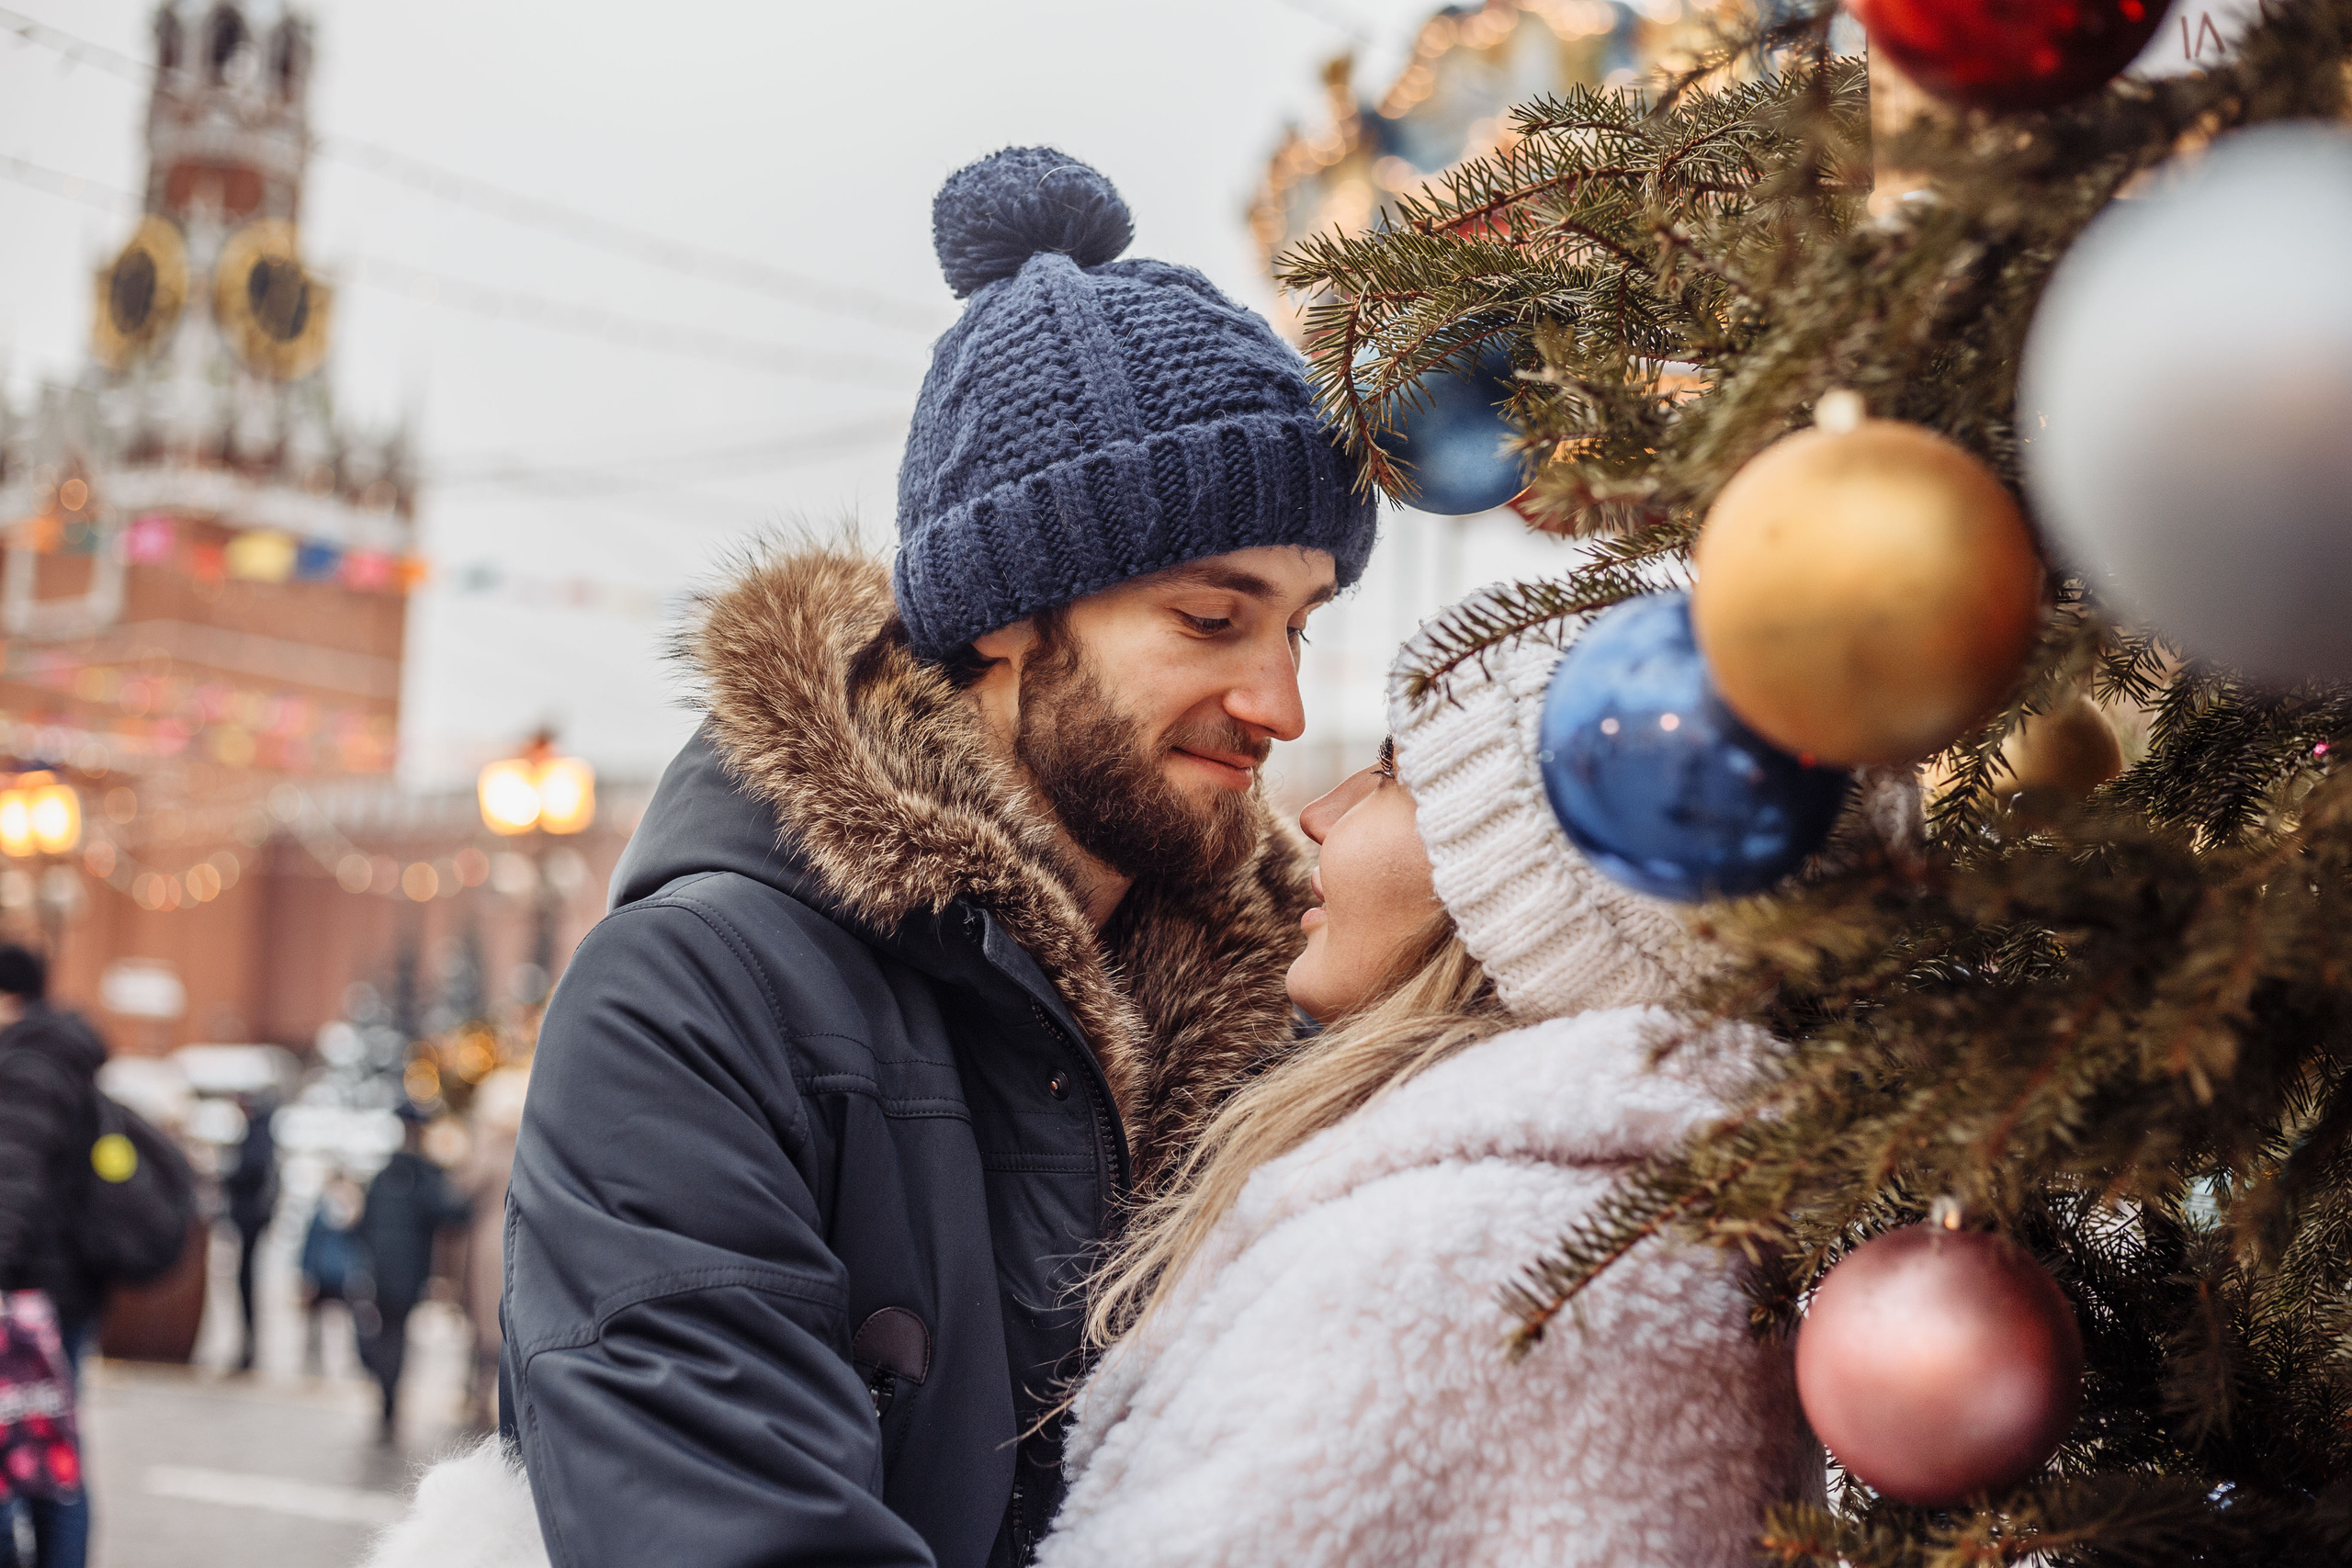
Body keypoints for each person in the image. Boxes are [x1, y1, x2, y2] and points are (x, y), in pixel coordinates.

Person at [364, 144, 1376, 1568]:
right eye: (1214, 619)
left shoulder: (1286, 1026)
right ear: (1009, 620)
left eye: (1302, 624)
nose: (1282, 704)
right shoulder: (696, 999)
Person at [1032, 600, 1841, 1565]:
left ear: (1521, 893)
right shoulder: (1647, 1231)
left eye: (1396, 778)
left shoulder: (1441, 1272)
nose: (1317, 812)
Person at [0, 944, 103, 1568]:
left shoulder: (28, 1064)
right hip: (56, 1290)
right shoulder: (55, 1055)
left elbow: (10, 1185)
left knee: (45, 1457)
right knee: (49, 1448)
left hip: (27, 1295)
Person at [356, 1104, 469, 1436]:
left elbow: (365, 1222)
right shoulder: (421, 1175)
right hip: (400, 1270)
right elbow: (451, 1212)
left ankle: (387, 1394)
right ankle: (388, 1392)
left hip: (387, 1268)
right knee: (391, 1336)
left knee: (388, 1333)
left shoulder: (391, 1174)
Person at [222, 1091, 278, 1372]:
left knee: (246, 1282)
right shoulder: (262, 1132)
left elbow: (250, 1170)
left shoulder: (257, 1134)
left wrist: (228, 1176)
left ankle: (248, 1344)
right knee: (246, 1281)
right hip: (251, 1217)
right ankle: (247, 1343)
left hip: (250, 1217)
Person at [298, 1171, 364, 1377]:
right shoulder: (320, 1214)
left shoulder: (356, 1216)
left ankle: (349, 1363)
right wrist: (306, 1273)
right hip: (322, 1275)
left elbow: (360, 1248)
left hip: (345, 1277)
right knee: (315, 1324)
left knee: (349, 1325)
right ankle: (313, 1363)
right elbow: (309, 1245)